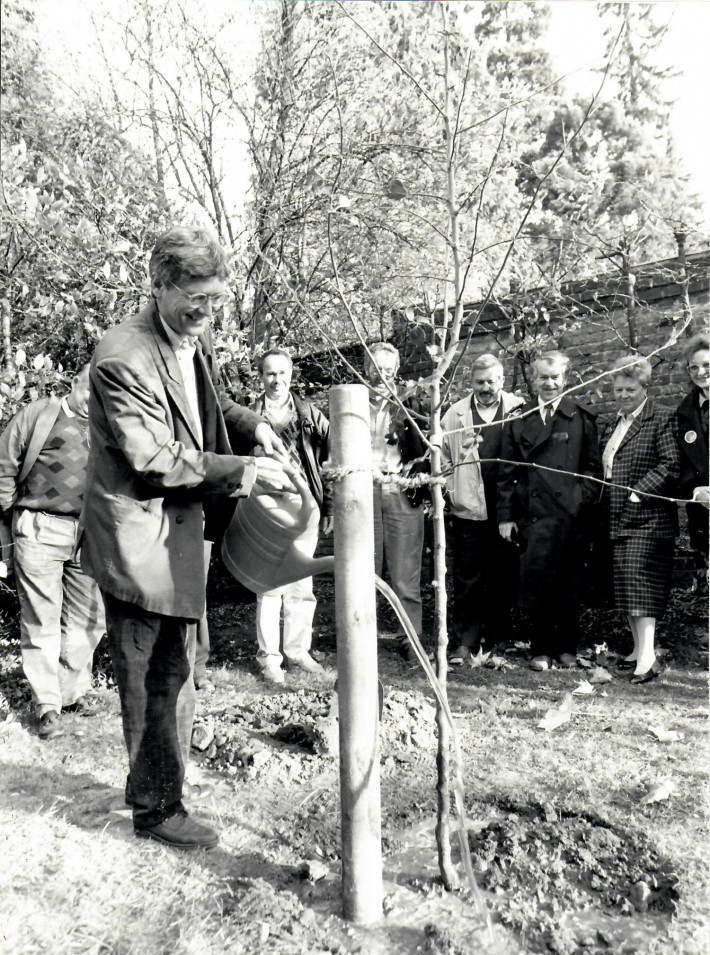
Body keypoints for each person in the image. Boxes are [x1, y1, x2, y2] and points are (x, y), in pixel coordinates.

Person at [81, 227, 293, 850]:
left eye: (215, 299)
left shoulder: (188, 339)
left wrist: (253, 429)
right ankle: (157, 809)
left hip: (177, 537)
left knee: (180, 667)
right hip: (140, 544)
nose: (206, 312)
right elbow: (153, 460)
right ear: (158, 285)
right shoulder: (122, 353)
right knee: (156, 678)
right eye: (195, 298)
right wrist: (243, 474)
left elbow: (211, 407)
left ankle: (151, 784)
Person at [0, 366, 106, 740]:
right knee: (41, 618)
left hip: (89, 533)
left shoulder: (106, 425)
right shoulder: (39, 414)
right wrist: (7, 520)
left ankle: (73, 691)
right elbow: (4, 466)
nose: (96, 401)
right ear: (74, 384)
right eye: (90, 392)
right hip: (41, 527)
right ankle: (47, 705)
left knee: (88, 618)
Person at [497, 351, 602, 671]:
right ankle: (540, 649)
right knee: (537, 582)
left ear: (565, 379)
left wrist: (579, 500)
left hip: (570, 515)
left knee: (568, 583)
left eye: (555, 377)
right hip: (534, 514)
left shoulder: (580, 417)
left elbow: (593, 470)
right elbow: (506, 471)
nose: (549, 382)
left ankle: (567, 647)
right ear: (533, 380)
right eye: (543, 377)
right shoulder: (519, 418)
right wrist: (505, 515)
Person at [251, 348, 333, 684]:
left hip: (305, 506)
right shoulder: (249, 415)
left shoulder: (309, 414)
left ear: (291, 375)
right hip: (267, 507)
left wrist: (327, 506)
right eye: (270, 374)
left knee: (301, 583)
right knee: (269, 585)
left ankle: (298, 651)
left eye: (283, 373)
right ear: (262, 377)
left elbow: (333, 459)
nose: (277, 380)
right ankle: (270, 659)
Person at [600, 356, 680, 684]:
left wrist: (637, 493)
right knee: (627, 585)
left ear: (644, 387)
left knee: (641, 584)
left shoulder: (660, 417)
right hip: (618, 517)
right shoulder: (613, 423)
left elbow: (670, 465)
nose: (623, 395)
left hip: (648, 517)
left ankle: (647, 657)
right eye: (618, 389)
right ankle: (636, 649)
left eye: (630, 389)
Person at [441, 354, 524, 664]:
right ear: (470, 383)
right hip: (470, 509)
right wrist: (455, 491)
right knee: (468, 577)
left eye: (492, 381)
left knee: (503, 576)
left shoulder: (518, 408)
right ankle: (464, 642)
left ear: (502, 381)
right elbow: (444, 458)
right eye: (480, 382)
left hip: (507, 509)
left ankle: (497, 640)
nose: (486, 387)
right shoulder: (455, 414)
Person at [366, 342, 428, 664]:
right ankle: (363, 639)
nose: (382, 375)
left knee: (406, 573)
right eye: (376, 368)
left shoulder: (411, 403)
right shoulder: (352, 402)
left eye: (388, 369)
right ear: (365, 368)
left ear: (396, 370)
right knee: (366, 570)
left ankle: (411, 639)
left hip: (400, 490)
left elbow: (428, 448)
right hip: (363, 492)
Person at [675, 333, 709, 598]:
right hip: (703, 506)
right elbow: (683, 461)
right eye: (694, 367)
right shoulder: (686, 410)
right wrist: (697, 490)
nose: (701, 372)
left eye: (707, 365)